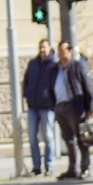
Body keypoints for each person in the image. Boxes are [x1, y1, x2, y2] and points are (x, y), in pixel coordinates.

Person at [51, 40, 92, 179]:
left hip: (74, 106)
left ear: (70, 51)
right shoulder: (55, 68)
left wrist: (89, 107)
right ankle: (72, 169)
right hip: (59, 106)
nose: (61, 53)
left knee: (81, 139)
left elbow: (87, 87)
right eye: (59, 50)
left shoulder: (77, 66)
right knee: (68, 139)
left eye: (64, 50)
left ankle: (85, 168)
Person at [21, 39, 60, 177]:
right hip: (33, 106)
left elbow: (56, 84)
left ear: (49, 48)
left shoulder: (54, 65)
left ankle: (49, 165)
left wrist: (53, 101)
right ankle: (36, 167)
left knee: (48, 136)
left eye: (44, 47)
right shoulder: (33, 64)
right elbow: (26, 81)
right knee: (32, 137)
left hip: (47, 106)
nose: (42, 50)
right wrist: (26, 95)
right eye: (40, 47)